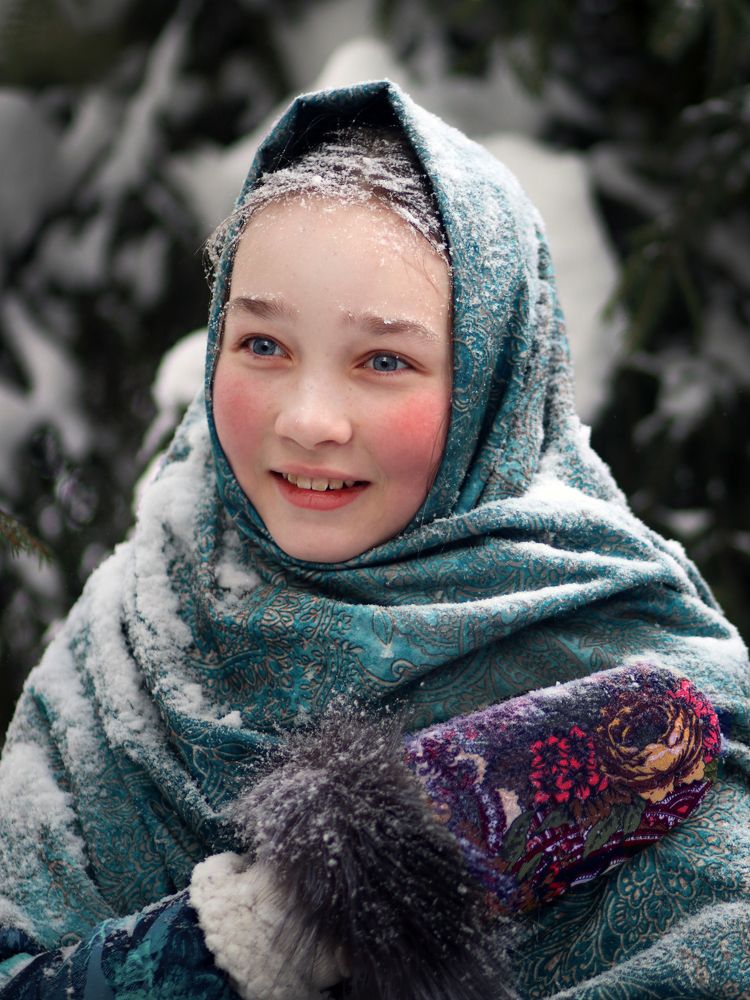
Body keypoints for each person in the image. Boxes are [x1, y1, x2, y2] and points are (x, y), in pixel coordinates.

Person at [0, 79, 748, 1000]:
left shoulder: (623, 677)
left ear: (489, 380)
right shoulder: (133, 630)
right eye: (264, 345)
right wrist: (262, 929)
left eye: (384, 360)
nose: (310, 419)